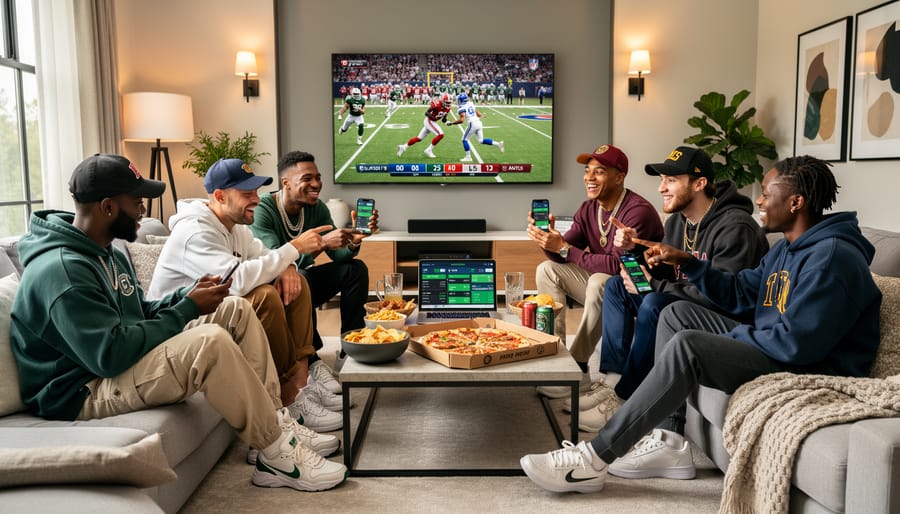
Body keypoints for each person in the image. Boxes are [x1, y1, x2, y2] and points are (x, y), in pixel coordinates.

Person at [520, 155, 881, 493]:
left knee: (690, 344)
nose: (759, 200)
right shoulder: (786, 248)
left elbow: (798, 344)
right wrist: (689, 263)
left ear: (795, 202)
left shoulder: (833, 258)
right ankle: (670, 441)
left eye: (766, 194)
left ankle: (592, 459)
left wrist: (733, 338)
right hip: (775, 344)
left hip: (806, 367)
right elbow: (741, 292)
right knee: (675, 313)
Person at [9, 153, 348, 492]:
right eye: (137, 201)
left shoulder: (105, 252)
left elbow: (138, 314)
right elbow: (109, 355)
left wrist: (184, 297)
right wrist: (185, 309)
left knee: (235, 308)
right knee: (210, 342)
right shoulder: (63, 271)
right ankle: (276, 455)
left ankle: (275, 425)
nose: (143, 210)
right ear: (108, 207)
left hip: (113, 363)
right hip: (83, 391)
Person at [574, 146, 769, 432]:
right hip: (681, 302)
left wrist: (656, 285)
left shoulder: (736, 227)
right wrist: (636, 254)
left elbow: (727, 297)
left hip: (720, 317)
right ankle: (613, 384)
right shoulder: (678, 221)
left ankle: (625, 397)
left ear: (699, 184)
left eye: (671, 180)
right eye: (662, 180)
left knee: (655, 302)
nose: (661, 188)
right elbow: (671, 273)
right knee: (616, 286)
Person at [148, 158, 345, 433]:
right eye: (247, 194)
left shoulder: (236, 227)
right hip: (180, 325)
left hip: (217, 311)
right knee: (264, 296)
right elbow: (237, 282)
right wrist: (294, 249)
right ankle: (287, 398)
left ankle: (301, 386)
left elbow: (266, 256)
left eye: (256, 192)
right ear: (220, 196)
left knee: (296, 281)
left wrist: (288, 266)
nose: (256, 199)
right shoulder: (195, 231)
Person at [527, 144, 663, 398]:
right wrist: (548, 240)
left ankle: (577, 366)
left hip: (636, 293)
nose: (589, 177)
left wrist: (565, 249)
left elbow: (618, 265)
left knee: (601, 281)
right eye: (587, 171)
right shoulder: (588, 208)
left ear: (619, 177)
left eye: (599, 171)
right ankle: (556, 359)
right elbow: (564, 253)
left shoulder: (638, 211)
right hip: (606, 286)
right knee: (547, 269)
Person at [251, 151, 376, 362]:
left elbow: (338, 255)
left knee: (355, 269)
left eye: (318, 178)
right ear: (286, 182)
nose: (316, 184)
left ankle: (351, 347)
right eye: (307, 178)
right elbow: (276, 262)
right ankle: (310, 359)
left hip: (302, 285)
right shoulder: (263, 210)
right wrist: (323, 242)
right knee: (302, 275)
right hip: (271, 289)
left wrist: (353, 241)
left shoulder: (317, 208)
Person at [446, 93, 504, 162]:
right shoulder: (470, 103)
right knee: (481, 140)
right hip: (478, 122)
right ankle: (498, 144)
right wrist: (482, 116)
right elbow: (477, 112)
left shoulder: (461, 108)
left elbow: (461, 120)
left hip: (472, 124)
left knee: (464, 140)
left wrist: (452, 123)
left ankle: (468, 157)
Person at [397, 92, 453, 159]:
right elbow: (426, 112)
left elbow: (443, 119)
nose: (448, 104)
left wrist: (447, 122)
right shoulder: (437, 104)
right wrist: (433, 117)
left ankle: (403, 147)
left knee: (419, 138)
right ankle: (428, 150)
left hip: (432, 121)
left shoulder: (448, 108)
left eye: (449, 102)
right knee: (440, 134)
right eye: (447, 102)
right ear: (443, 101)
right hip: (429, 120)